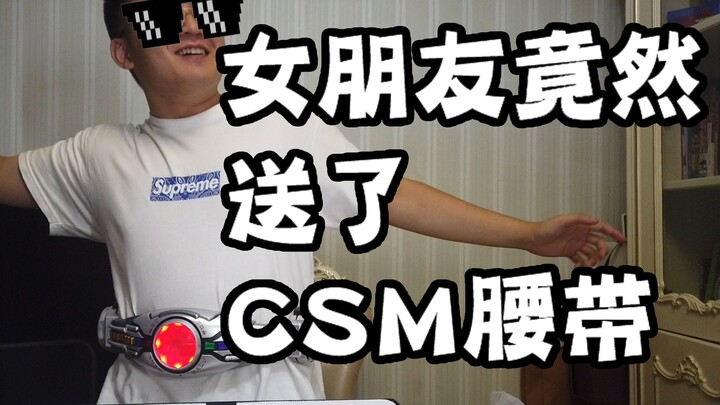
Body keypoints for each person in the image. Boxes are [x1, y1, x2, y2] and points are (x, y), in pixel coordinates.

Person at [0, 0, 625, 403]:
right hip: (141, 392)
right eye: (163, 14)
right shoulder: (96, 156)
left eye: (204, 10)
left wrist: (528, 235)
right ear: (123, 51)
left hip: (271, 390)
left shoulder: (282, 128)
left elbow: (396, 195)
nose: (191, 25)